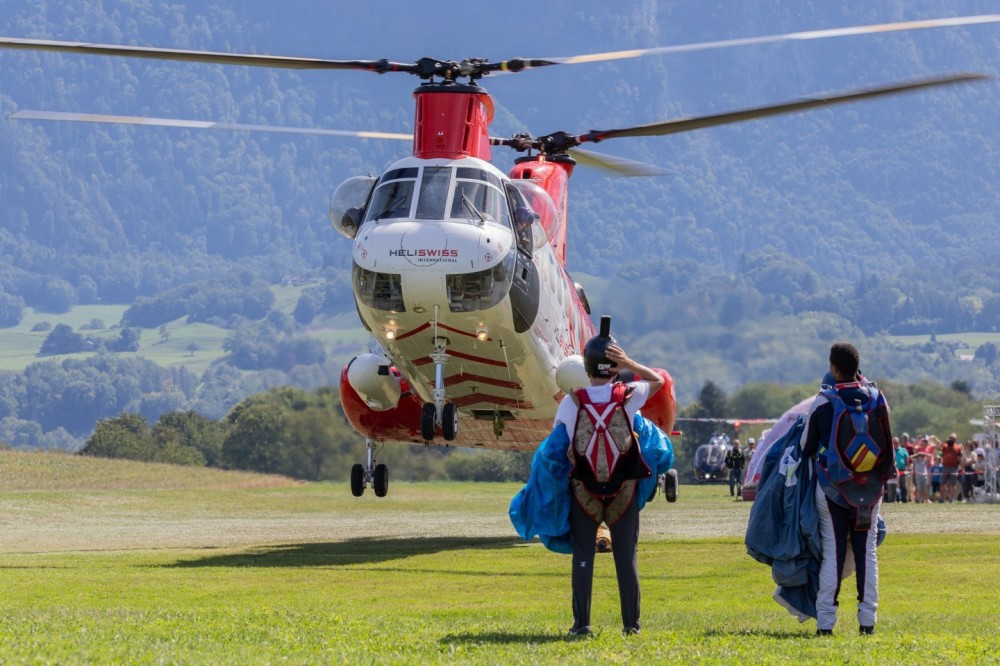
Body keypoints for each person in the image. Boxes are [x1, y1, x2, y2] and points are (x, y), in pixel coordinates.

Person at [553, 321, 665, 637]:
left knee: (583, 558)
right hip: (623, 492)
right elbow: (658, 380)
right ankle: (631, 626)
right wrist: (629, 363)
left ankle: (581, 625)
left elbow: (558, 446)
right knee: (626, 558)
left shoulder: (571, 401)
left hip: (584, 491)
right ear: (614, 366)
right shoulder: (629, 395)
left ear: (585, 366)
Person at [800, 342, 894, 636]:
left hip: (833, 489)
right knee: (867, 552)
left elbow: (806, 448)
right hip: (871, 488)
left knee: (834, 553)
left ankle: (826, 623)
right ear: (857, 367)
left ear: (834, 368)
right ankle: (868, 623)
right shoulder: (877, 398)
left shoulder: (824, 402)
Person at [940, 434, 962, 503]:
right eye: (951, 438)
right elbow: (937, 447)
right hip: (945, 467)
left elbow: (959, 458)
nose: (952, 440)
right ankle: (942, 499)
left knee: (953, 484)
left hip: (954, 467)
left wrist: (962, 467)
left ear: (956, 440)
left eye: (953, 439)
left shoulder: (957, 447)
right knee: (943, 483)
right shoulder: (945, 445)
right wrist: (944, 441)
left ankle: (951, 499)